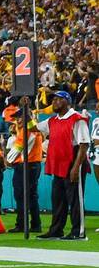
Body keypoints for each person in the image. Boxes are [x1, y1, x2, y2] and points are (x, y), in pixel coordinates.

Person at [40, 90, 91, 240]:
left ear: (67, 101)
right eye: (53, 100)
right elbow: (33, 127)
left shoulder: (77, 118)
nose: (54, 102)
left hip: (73, 162)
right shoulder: (52, 120)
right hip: (58, 166)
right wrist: (25, 110)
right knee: (58, 199)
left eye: (58, 99)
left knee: (75, 199)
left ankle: (78, 232)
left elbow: (84, 144)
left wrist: (76, 167)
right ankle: (56, 230)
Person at [4, 103, 43, 234]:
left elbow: (17, 148)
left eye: (20, 117)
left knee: (21, 196)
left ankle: (22, 224)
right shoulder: (28, 130)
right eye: (17, 117)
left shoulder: (28, 130)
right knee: (31, 196)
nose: (18, 120)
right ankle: (35, 224)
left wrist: (7, 160)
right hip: (30, 165)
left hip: (27, 166)